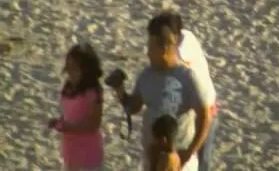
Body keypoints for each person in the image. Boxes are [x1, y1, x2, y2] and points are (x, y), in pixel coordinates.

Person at [110, 21, 212, 171]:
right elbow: (133, 107)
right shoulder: (146, 75)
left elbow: (205, 117)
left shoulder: (187, 77)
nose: (147, 53)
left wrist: (189, 153)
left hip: (179, 162)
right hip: (152, 160)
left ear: (163, 49)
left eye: (151, 48)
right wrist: (120, 89)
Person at [147, 10, 219, 171]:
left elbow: (174, 66)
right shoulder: (187, 36)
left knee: (196, 161)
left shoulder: (182, 49)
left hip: (203, 110)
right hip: (197, 106)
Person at [48, 43, 104, 171]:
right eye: (68, 67)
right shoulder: (68, 87)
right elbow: (71, 113)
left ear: (86, 70)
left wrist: (71, 128)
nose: (69, 71)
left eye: (74, 68)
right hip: (70, 151)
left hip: (88, 155)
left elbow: (94, 123)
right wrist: (59, 121)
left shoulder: (92, 91)